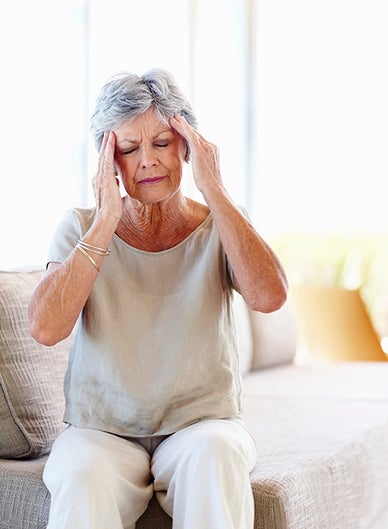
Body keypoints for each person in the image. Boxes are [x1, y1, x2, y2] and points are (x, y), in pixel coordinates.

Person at [28, 67, 288, 529]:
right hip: (101, 432)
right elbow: (46, 328)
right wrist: (106, 220)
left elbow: (269, 297)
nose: (147, 160)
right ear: (109, 162)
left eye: (162, 143)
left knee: (215, 456)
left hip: (202, 425)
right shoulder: (79, 227)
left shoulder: (220, 224)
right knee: (81, 473)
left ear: (187, 145)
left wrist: (216, 190)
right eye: (129, 148)